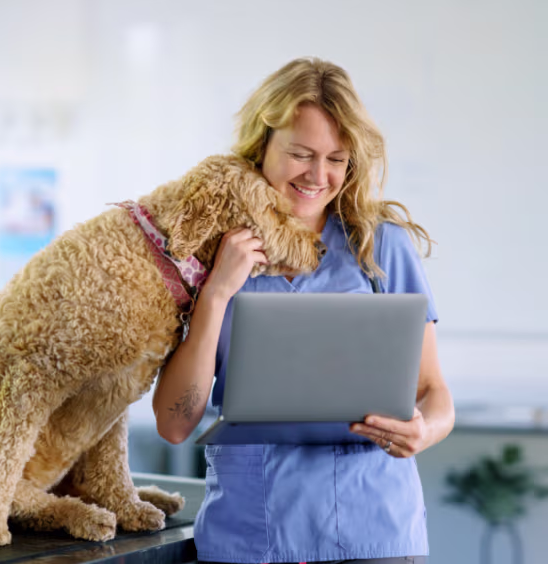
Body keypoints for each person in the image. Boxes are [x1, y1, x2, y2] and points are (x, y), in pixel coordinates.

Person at [153, 58, 454, 564]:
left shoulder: (381, 247)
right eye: (301, 154)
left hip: (374, 530)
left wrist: (423, 430)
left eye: (337, 158)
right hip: (249, 535)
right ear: (261, 146)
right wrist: (217, 293)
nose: (319, 176)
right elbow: (175, 425)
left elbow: (434, 393)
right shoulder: (205, 251)